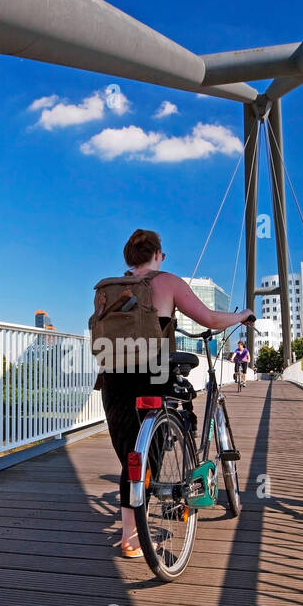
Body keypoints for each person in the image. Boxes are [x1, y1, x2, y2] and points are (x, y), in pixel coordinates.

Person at [100, 229, 254, 558]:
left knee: (131, 455)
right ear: (158, 254)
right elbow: (209, 318)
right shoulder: (167, 282)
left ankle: (129, 535)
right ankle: (184, 479)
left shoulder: (112, 287)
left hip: (114, 375)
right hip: (152, 374)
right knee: (156, 437)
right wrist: (240, 316)